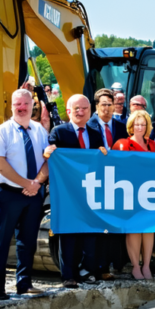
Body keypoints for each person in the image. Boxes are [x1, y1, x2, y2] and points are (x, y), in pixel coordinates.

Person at [0, 89, 49, 299]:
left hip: (33, 194)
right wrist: (27, 184)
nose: (21, 108)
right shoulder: (1, 132)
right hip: (8, 194)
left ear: (33, 105)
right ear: (11, 106)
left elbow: (47, 159)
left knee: (27, 241)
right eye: (17, 104)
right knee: (2, 241)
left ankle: (24, 283)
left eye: (25, 104)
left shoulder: (40, 130)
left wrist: (37, 183)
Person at [43, 94, 105, 287]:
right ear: (68, 111)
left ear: (90, 111)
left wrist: (104, 153)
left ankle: (87, 271)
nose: (80, 111)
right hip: (67, 193)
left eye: (84, 108)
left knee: (90, 233)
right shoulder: (59, 132)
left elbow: (99, 162)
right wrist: (48, 152)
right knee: (68, 234)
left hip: (89, 190)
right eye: (76, 108)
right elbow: (51, 154)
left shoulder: (95, 134)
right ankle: (68, 275)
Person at [112, 110, 155, 279]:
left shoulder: (153, 145)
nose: (140, 127)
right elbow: (116, 167)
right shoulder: (122, 143)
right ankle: (135, 266)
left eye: (143, 124)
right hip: (130, 192)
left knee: (149, 229)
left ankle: (146, 265)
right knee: (133, 229)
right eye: (136, 124)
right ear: (131, 126)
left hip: (150, 192)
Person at [88, 88, 128, 277]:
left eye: (110, 104)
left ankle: (118, 263)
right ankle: (100, 267)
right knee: (99, 227)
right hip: (97, 183)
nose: (107, 108)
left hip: (119, 183)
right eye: (103, 104)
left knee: (117, 225)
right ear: (96, 106)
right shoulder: (88, 127)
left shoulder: (122, 127)